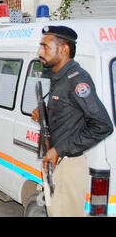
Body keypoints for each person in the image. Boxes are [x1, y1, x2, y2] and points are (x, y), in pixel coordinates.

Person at [31, 25, 113, 217]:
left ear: (64, 49)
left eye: (45, 47)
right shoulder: (59, 77)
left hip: (68, 164)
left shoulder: (77, 80)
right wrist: (45, 113)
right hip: (57, 162)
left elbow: (103, 125)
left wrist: (59, 149)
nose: (39, 52)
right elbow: (70, 113)